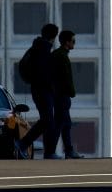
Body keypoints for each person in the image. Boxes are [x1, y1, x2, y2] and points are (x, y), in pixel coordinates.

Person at [16, 23, 61, 159]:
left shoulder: (36, 47)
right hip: (43, 90)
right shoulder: (43, 49)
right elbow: (44, 73)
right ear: (53, 37)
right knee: (47, 120)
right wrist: (51, 86)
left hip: (38, 89)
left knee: (48, 121)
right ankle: (24, 143)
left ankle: (48, 152)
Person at [52, 30, 84, 159]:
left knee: (64, 124)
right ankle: (53, 151)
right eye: (73, 41)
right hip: (62, 96)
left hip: (60, 96)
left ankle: (67, 150)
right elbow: (66, 78)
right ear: (67, 42)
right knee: (61, 124)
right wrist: (71, 92)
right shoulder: (61, 56)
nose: (74, 44)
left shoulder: (58, 55)